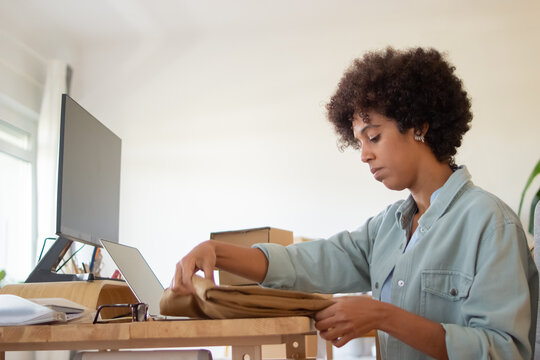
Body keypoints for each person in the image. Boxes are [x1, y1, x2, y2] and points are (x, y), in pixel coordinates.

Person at [170, 47, 538, 359]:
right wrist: (216, 251)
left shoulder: (491, 223)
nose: (364, 155)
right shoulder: (387, 228)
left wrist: (382, 316)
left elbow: (503, 350)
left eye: (373, 137)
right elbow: (307, 263)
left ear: (419, 127)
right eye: (358, 142)